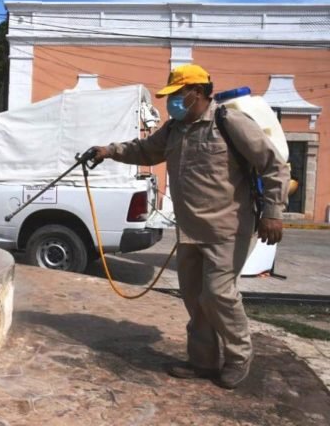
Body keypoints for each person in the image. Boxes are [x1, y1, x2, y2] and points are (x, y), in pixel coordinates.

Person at [90, 64, 289, 389]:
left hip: (228, 228)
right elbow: (144, 150)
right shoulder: (174, 129)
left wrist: (273, 212)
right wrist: (109, 151)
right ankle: (203, 362)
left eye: (176, 96)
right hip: (190, 230)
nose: (171, 103)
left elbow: (273, 165)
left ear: (195, 93)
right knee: (195, 298)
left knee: (218, 294)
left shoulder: (228, 122)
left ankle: (239, 357)